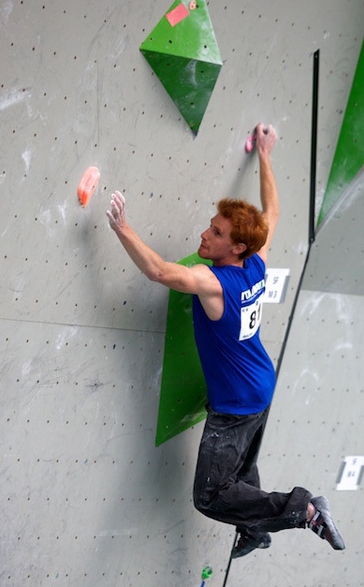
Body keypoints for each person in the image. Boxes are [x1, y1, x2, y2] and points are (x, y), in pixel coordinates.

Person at [106, 123, 345, 558]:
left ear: (234, 248)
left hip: (236, 407)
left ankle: (305, 510)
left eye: (215, 233)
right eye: (211, 226)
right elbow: (271, 213)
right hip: (260, 388)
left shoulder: (214, 284)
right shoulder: (257, 261)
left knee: (212, 494)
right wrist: (266, 155)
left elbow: (160, 271)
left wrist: (123, 228)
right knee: (241, 474)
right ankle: (255, 531)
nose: (205, 234)